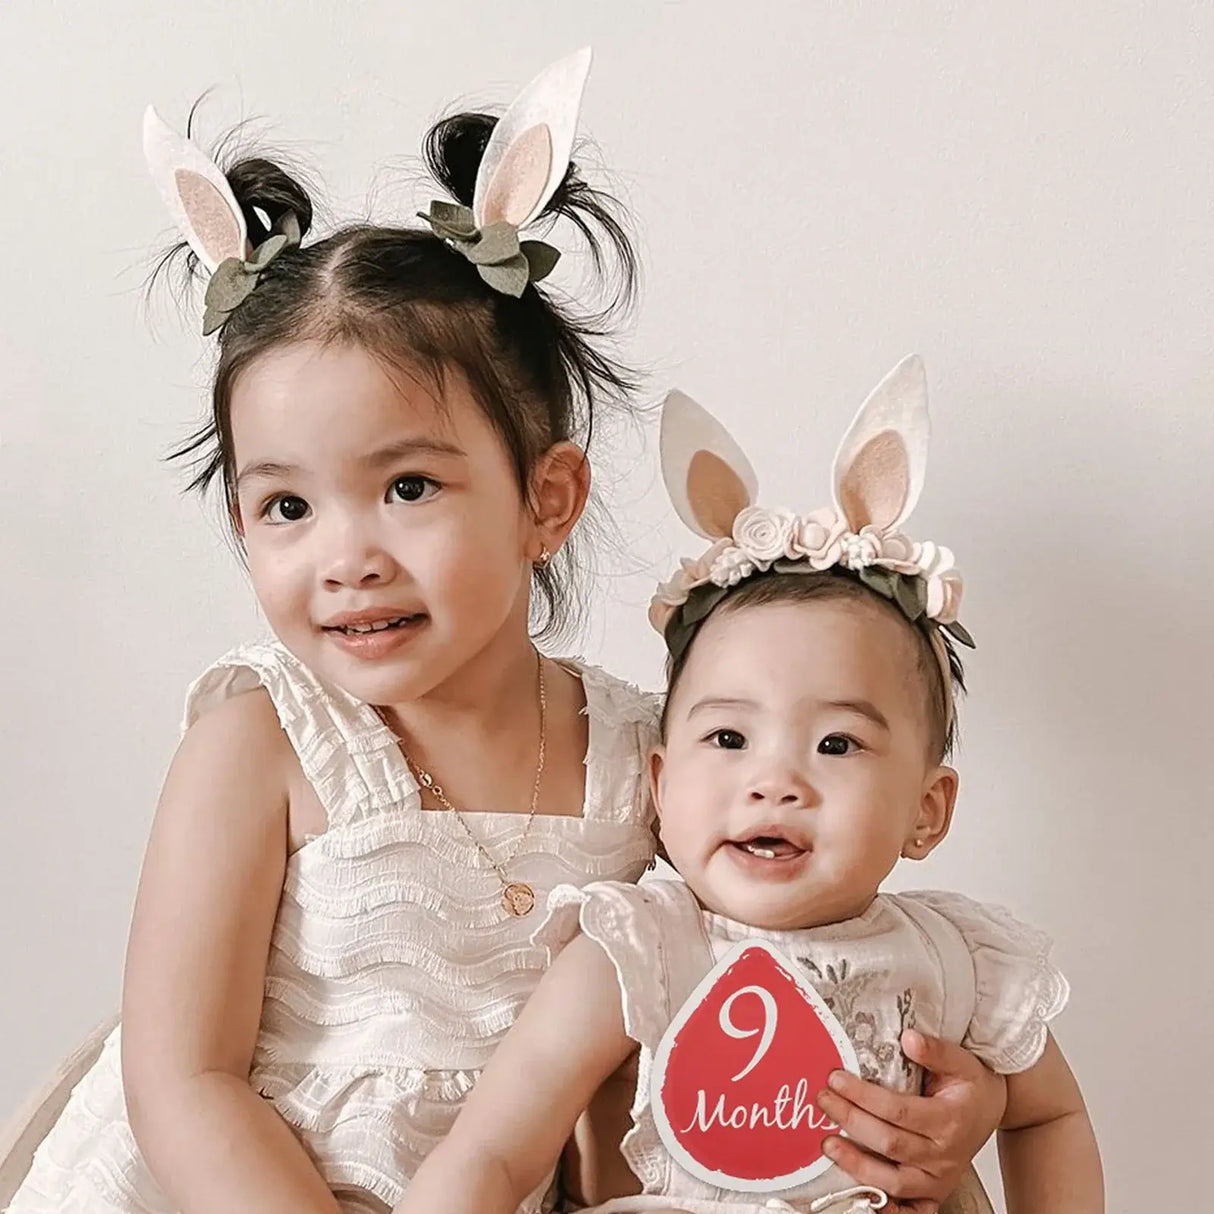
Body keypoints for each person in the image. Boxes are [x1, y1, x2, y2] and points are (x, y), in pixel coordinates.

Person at [4, 51, 1004, 1214]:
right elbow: (185, 1078)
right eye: (285, 506)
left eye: (408, 487)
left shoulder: (650, 759)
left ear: (546, 498)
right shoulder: (259, 743)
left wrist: (963, 1096)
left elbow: (792, 956)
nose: (345, 555)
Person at [393, 357, 1103, 1214]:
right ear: (661, 786)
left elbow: (1050, 1116)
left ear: (927, 812)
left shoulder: (959, 965)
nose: (775, 782)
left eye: (836, 743)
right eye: (729, 738)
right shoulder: (641, 953)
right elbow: (493, 1153)